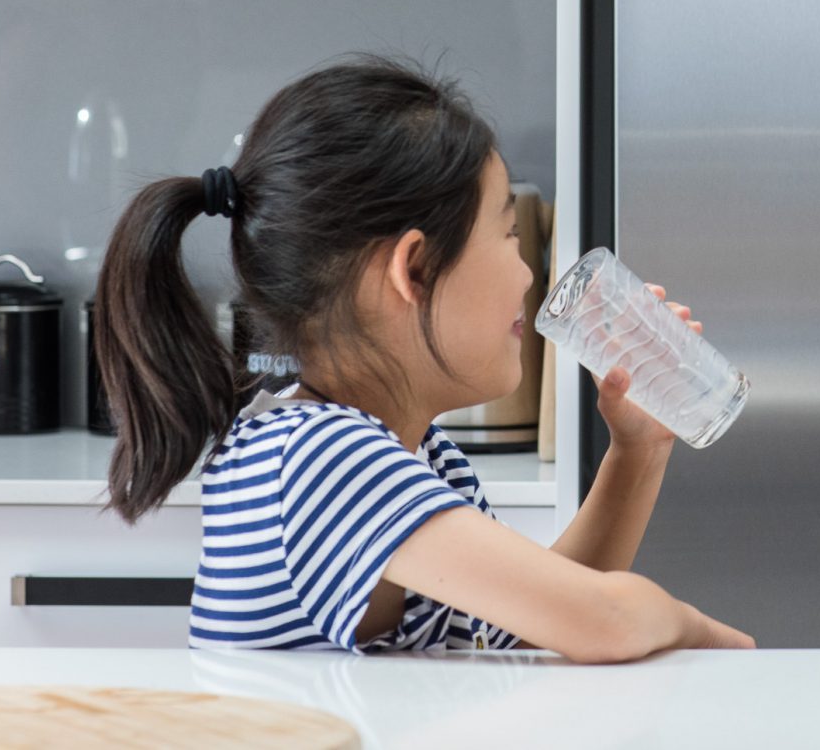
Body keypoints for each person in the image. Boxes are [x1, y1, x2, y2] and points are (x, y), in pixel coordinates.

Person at [92, 55, 752, 660]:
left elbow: (532, 620)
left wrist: (637, 452)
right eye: (508, 234)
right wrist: (701, 630)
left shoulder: (416, 455)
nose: (528, 277)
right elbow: (602, 620)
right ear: (415, 268)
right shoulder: (318, 459)